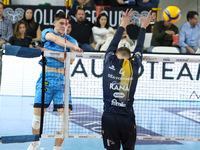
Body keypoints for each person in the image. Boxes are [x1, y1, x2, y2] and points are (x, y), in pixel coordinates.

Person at [27, 12, 82, 150]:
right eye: (62, 23)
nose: (65, 26)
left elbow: (68, 61)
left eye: (67, 24)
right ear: (55, 23)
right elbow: (56, 40)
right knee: (36, 120)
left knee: (64, 122)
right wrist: (66, 51)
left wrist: (47, 51)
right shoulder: (48, 33)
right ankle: (35, 143)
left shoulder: (72, 41)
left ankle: (56, 149)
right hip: (46, 79)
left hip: (63, 82)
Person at [102, 9, 154, 150]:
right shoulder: (134, 64)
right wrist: (143, 27)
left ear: (115, 55)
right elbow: (139, 48)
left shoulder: (108, 61)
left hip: (109, 117)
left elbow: (112, 44)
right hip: (127, 118)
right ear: (130, 56)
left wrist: (122, 25)